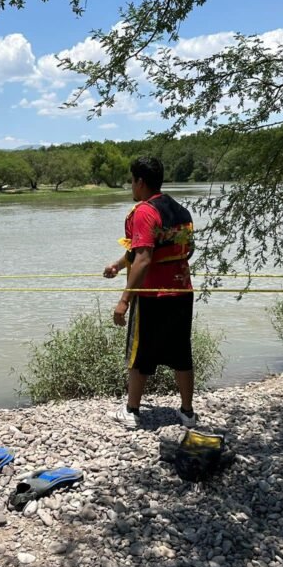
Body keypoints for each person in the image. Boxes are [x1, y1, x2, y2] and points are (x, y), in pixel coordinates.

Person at [103, 156, 197, 429]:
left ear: (140, 182)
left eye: (132, 181)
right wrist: (119, 265)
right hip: (182, 292)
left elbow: (144, 259)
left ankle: (132, 411)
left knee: (139, 355)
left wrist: (124, 301)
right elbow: (182, 251)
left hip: (151, 296)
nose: (131, 186)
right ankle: (187, 413)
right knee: (181, 354)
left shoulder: (144, 212)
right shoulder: (181, 211)